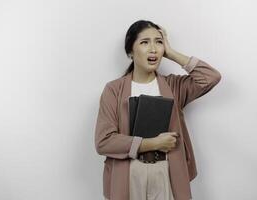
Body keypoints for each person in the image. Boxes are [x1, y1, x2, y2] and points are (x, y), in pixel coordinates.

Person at [94, 20, 221, 200]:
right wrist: (153, 143)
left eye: (158, 42)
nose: (153, 48)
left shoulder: (173, 86)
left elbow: (211, 77)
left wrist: (171, 53)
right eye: (145, 42)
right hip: (129, 174)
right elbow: (103, 141)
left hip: (167, 173)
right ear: (130, 51)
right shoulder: (113, 90)